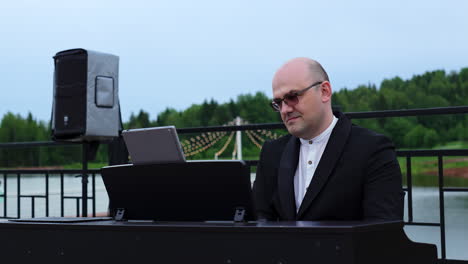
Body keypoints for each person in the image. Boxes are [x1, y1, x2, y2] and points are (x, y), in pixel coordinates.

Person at [253, 57, 404, 221]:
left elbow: (383, 229)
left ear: (324, 91)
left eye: (293, 96)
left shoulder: (373, 150)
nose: (285, 109)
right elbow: (259, 219)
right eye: (278, 103)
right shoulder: (271, 153)